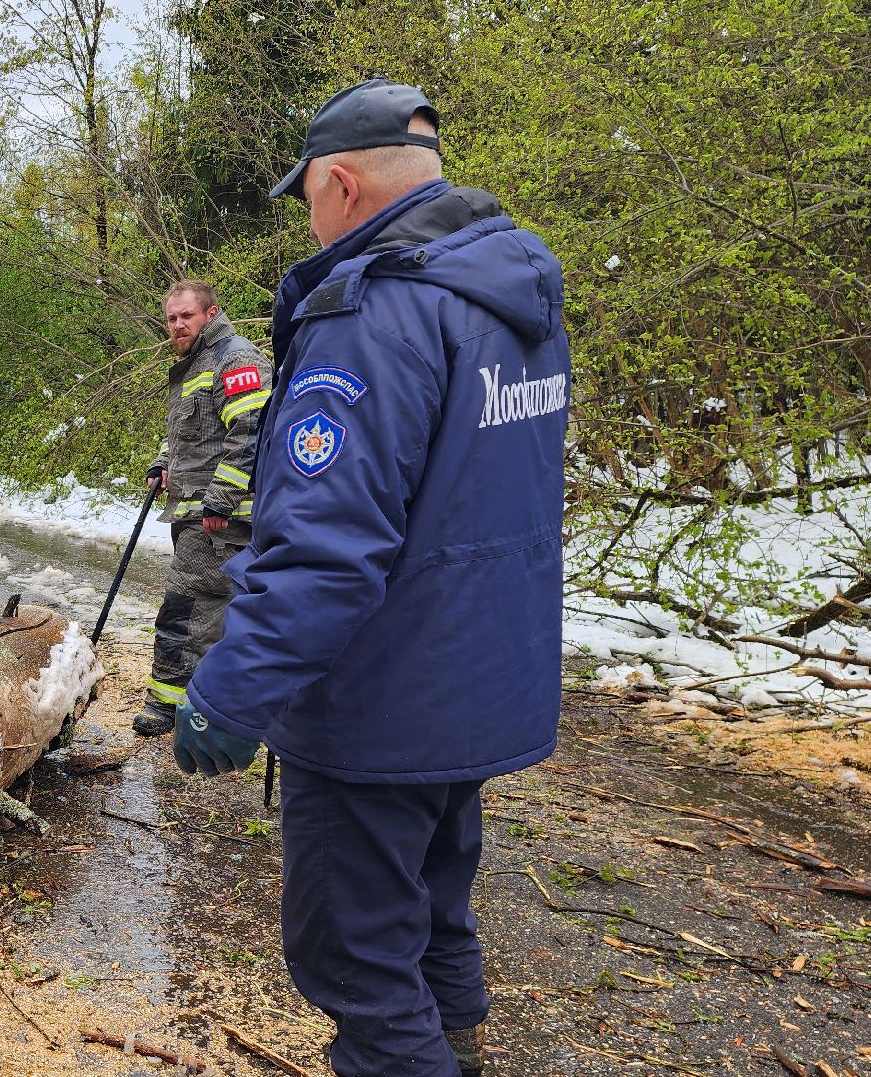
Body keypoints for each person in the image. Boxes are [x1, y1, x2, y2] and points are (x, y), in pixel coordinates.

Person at [177, 79, 570, 1077]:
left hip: (382, 699)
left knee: (354, 954)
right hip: (477, 680)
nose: (307, 219)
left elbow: (326, 544)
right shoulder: (511, 301)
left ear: (341, 182)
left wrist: (230, 691)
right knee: (433, 908)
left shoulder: (373, 316)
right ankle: (461, 1051)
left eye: (305, 195)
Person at [133, 280, 273, 737]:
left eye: (186, 316)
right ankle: (208, 703)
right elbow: (189, 434)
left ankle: (168, 704)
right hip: (195, 510)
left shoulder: (236, 360)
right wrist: (162, 462)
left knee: (187, 605)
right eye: (171, 319)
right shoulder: (196, 365)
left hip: (219, 516)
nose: (177, 326)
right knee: (213, 609)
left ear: (210, 314)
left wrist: (221, 499)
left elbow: (250, 435)